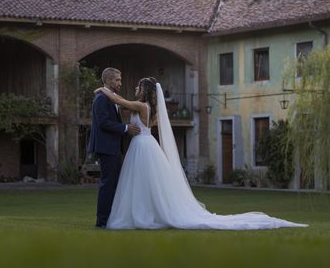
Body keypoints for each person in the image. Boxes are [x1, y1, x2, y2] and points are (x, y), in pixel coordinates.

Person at [95, 77, 308, 230]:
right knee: (143, 184)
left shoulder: (142, 106)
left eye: (138, 86)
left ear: (145, 90)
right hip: (143, 145)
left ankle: (143, 215)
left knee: (142, 182)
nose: (134, 88)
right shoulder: (147, 107)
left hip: (142, 147)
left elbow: (120, 102)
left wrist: (103, 90)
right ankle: (142, 213)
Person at [87, 67, 140, 228]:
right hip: (106, 148)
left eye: (120, 80)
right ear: (108, 80)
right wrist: (125, 128)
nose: (120, 83)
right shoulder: (101, 99)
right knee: (108, 184)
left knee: (114, 184)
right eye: (117, 80)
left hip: (114, 147)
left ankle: (111, 219)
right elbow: (103, 122)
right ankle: (101, 222)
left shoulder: (111, 97)